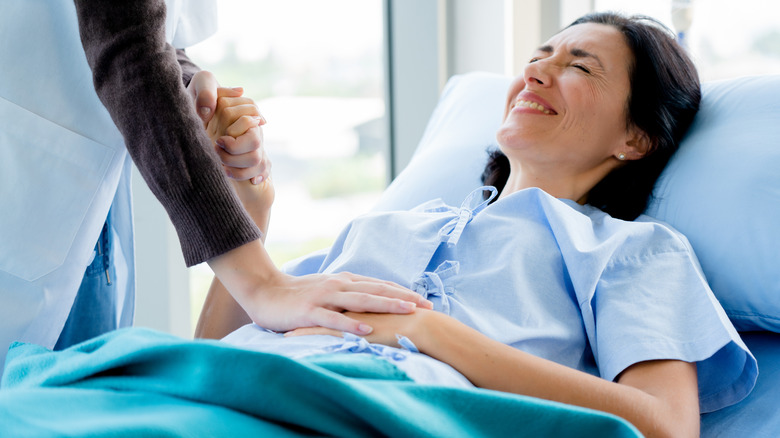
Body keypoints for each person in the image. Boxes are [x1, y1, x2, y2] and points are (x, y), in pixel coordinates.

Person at [198, 12, 756, 438]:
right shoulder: (385, 227)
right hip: (225, 396)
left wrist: (428, 332)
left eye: (579, 66)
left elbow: (663, 425)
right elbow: (213, 350)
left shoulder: (631, 250)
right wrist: (250, 212)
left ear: (634, 139)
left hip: (380, 410)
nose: (536, 71)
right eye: (539, 57)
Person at [0, 0, 427, 376]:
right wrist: (261, 283)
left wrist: (187, 89)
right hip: (32, 194)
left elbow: (148, 33)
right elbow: (129, 49)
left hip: (83, 204)